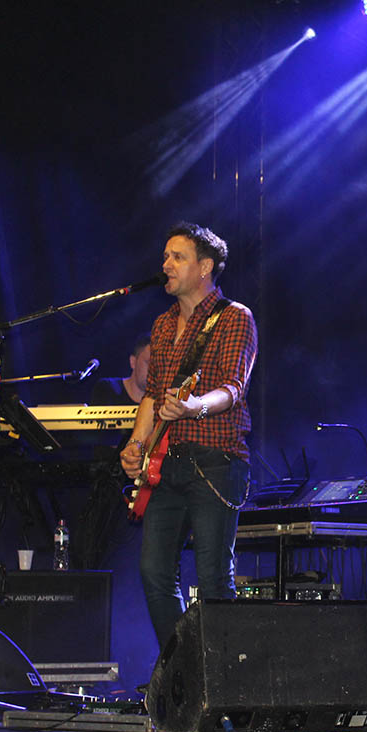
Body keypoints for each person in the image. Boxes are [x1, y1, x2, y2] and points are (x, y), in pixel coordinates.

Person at [120, 222, 257, 652]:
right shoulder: (162, 326)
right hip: (167, 464)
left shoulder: (234, 317)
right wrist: (136, 445)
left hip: (216, 461)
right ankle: (183, 670)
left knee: (214, 577)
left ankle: (222, 677)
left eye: (177, 257)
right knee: (154, 572)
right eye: (165, 256)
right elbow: (152, 395)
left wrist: (194, 405)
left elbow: (233, 388)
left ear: (205, 267)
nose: (166, 264)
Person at [91, 333, 151, 405]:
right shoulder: (108, 389)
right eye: (149, 363)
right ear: (133, 362)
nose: (155, 370)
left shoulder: (161, 399)